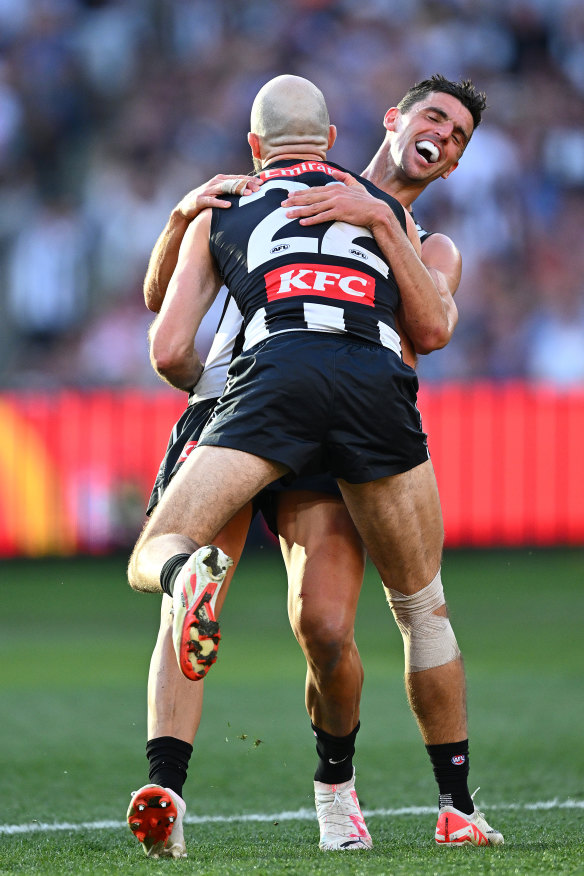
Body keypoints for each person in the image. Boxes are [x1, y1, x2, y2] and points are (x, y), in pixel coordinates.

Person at [126, 74, 502, 856]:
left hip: (311, 421)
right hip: (258, 402)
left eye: (460, 136)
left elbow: (425, 333)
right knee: (328, 611)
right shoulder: (251, 198)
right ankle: (172, 785)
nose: (445, 138)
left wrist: (376, 223)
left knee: (320, 625)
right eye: (435, 117)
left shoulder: (420, 240)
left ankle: (335, 792)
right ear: (385, 122)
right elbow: (164, 314)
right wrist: (183, 215)